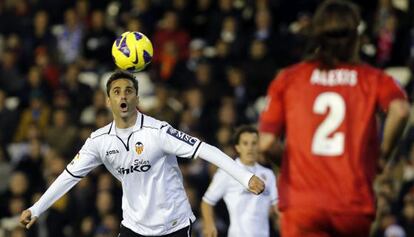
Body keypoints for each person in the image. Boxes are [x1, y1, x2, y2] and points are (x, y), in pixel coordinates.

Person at [20, 70, 265, 237]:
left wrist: (244, 177)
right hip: (135, 227)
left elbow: (205, 149)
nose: (123, 96)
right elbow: (69, 176)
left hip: (174, 225)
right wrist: (37, 208)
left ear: (137, 97)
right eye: (116, 92)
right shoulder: (98, 141)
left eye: (128, 91)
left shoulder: (158, 131)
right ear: (108, 101)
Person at [258, 1, 410, 237]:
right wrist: (382, 155)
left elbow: (266, 142)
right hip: (352, 203)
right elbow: (400, 110)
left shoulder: (289, 79)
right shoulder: (372, 78)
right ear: (356, 36)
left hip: (302, 203)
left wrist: (291, 164)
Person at [201, 125, 278, 237]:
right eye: (245, 143)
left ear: (259, 146)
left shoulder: (268, 174)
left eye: (254, 143)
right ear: (237, 147)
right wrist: (209, 224)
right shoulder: (227, 172)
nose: (250, 148)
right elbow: (207, 202)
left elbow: (277, 207)